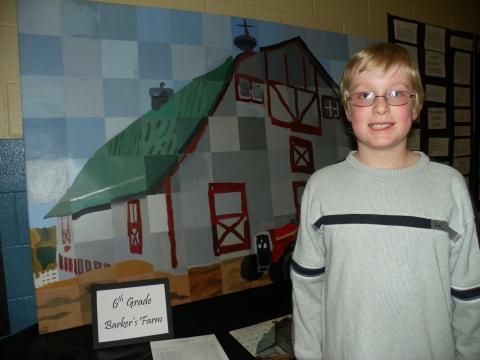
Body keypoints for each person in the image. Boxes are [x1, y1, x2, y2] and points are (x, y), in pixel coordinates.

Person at [290, 42, 480, 360]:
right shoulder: (321, 188)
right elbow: (307, 289)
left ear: (416, 106)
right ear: (348, 109)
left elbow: (469, 296)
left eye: (396, 93)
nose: (380, 107)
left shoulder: (449, 187)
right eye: (365, 95)